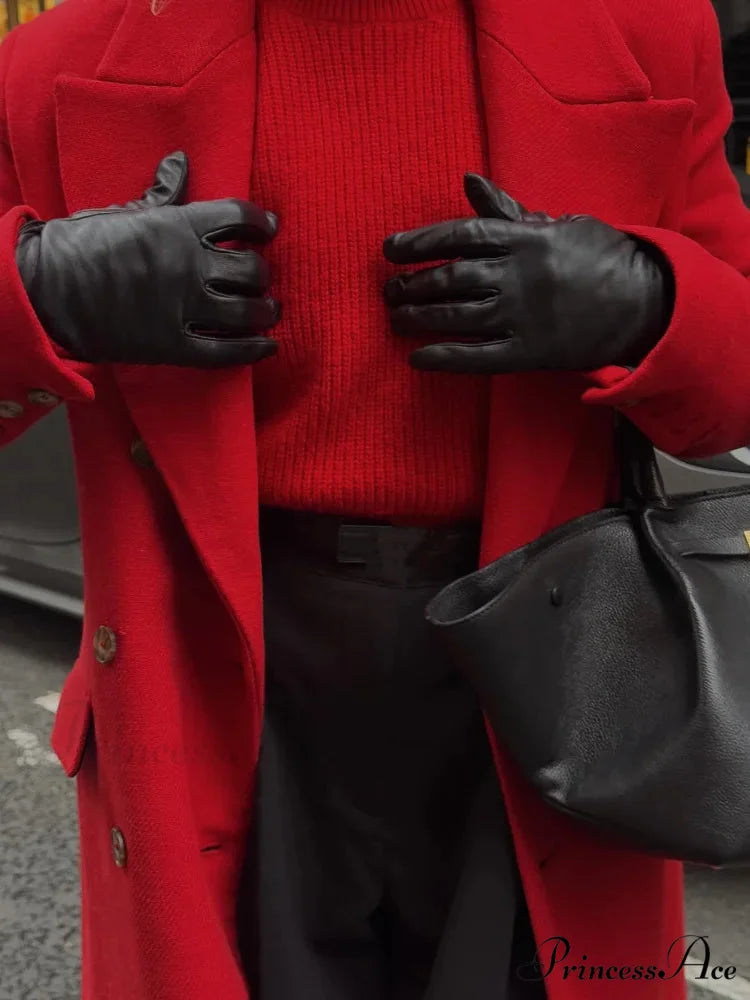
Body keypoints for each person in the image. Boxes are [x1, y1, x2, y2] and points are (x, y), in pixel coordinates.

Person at [1, 0, 749, 996]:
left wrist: (654, 300)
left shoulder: (648, 30)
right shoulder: (59, 58)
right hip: (223, 675)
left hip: (552, 663)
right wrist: (35, 292)